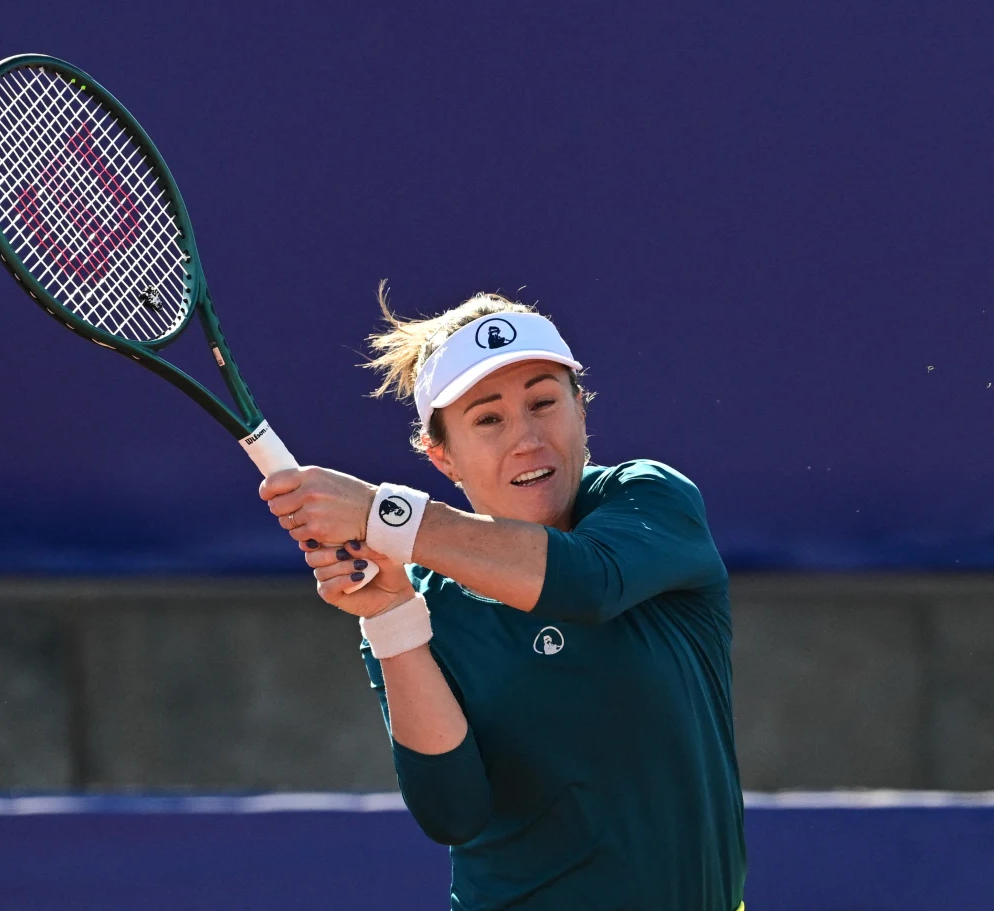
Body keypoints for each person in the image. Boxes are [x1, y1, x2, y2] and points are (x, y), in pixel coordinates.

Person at [258, 290, 747, 911]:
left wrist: (386, 516)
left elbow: (588, 581)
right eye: (489, 419)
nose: (527, 439)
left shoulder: (651, 502)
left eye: (544, 403)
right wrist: (391, 618)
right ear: (443, 457)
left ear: (580, 412)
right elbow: (452, 812)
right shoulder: (423, 602)